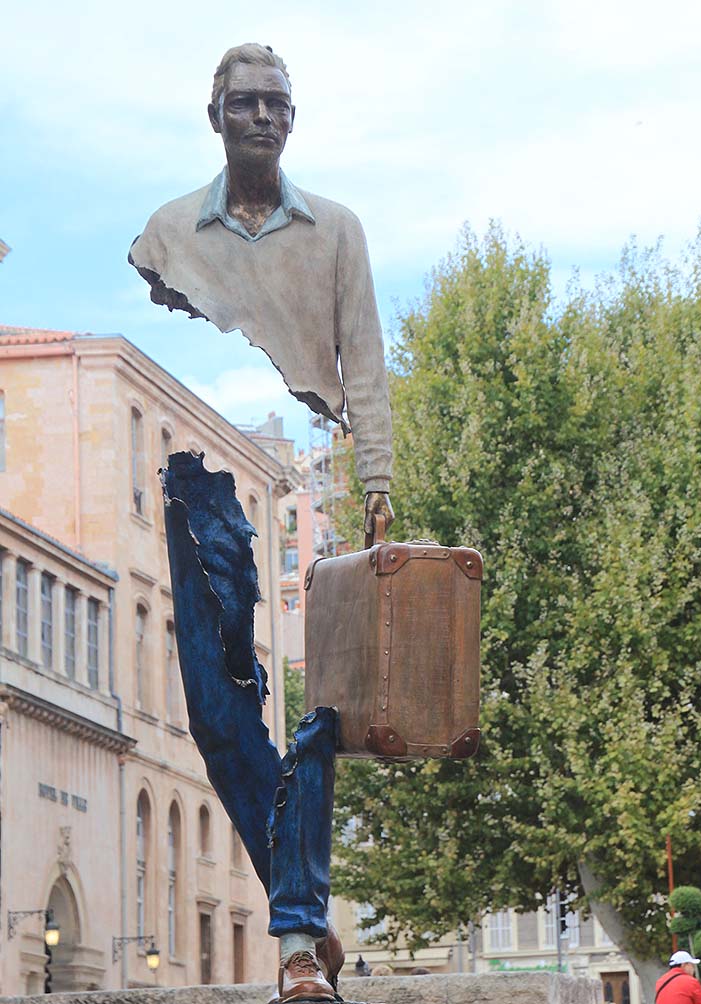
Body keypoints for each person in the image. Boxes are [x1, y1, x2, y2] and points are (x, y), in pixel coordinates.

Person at [132, 42, 396, 1003]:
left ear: (294, 117)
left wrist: (377, 482)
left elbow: (363, 362)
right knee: (215, 713)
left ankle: (293, 940)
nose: (262, 118)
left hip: (313, 497)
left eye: (277, 104)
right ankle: (306, 918)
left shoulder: (336, 230)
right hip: (203, 487)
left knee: (317, 717)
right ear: (215, 117)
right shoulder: (167, 232)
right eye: (244, 103)